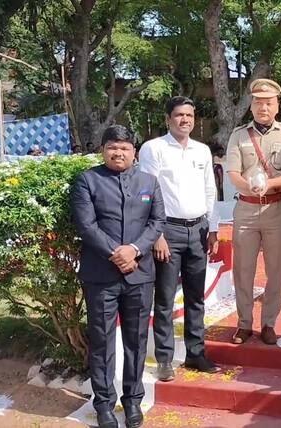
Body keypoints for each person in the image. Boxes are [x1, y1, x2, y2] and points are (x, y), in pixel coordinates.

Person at [71, 125, 165, 428]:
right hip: (101, 276)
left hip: (140, 275)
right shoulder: (88, 180)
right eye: (112, 146)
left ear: (134, 151)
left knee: (137, 341)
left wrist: (135, 250)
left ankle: (133, 400)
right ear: (103, 150)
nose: (118, 152)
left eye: (124, 147)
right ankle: (104, 404)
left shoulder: (149, 181)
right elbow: (86, 225)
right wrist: (118, 253)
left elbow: (157, 220)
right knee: (102, 341)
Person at [139, 96, 220, 382]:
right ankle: (164, 358)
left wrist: (213, 228)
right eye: (179, 115)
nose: (185, 120)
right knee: (164, 298)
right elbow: (146, 193)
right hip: (168, 232)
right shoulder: (154, 149)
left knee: (196, 297)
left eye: (189, 115)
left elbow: (210, 189)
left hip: (198, 230)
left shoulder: (202, 150)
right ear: (167, 119)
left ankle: (196, 353)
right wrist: (156, 234)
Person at [225, 79, 281, 345]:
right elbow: (233, 172)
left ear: (277, 105)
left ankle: (269, 322)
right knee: (243, 269)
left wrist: (267, 184)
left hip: (276, 208)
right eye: (258, 102)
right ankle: (244, 322)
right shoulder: (239, 134)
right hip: (245, 207)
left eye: (268, 103)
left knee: (275, 269)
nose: (263, 107)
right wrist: (249, 187)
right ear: (251, 106)